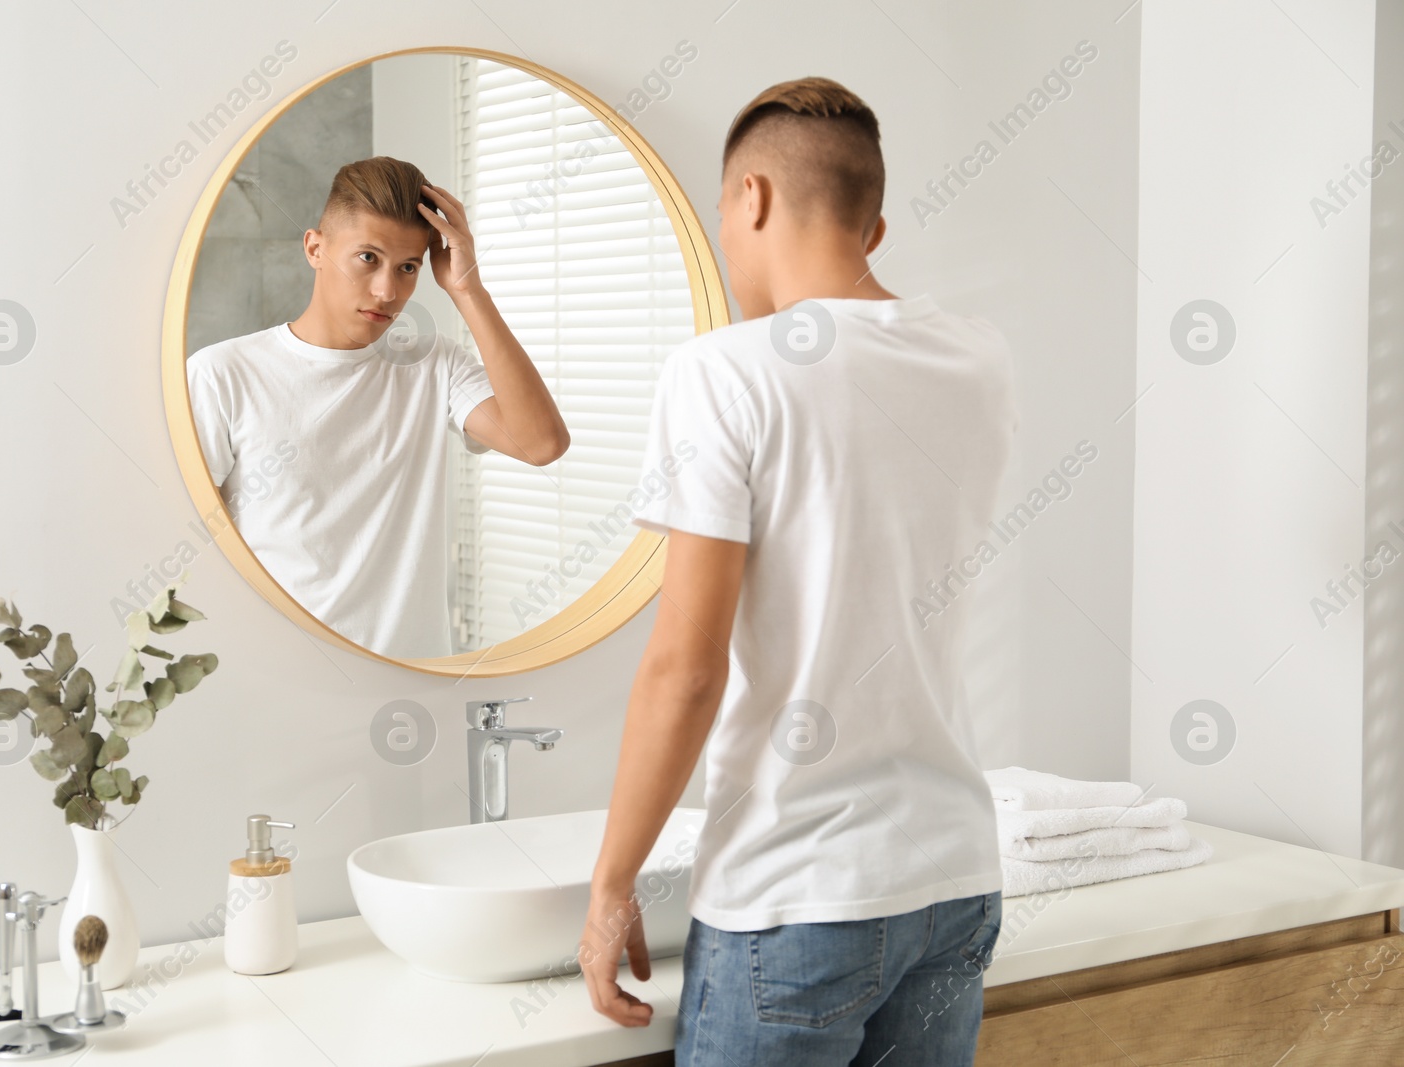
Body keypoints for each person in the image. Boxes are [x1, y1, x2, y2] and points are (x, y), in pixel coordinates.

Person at [578, 77, 1018, 1065]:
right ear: (873, 225)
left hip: (796, 895)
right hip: (953, 882)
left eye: (724, 214)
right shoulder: (978, 359)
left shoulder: (724, 371)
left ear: (753, 199)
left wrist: (611, 886)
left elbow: (683, 670)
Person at [187, 156, 569, 659]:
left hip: (415, 681)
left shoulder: (434, 365)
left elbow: (541, 444)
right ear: (315, 248)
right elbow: (194, 551)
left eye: (408, 268)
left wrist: (467, 288)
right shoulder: (223, 373)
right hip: (279, 677)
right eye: (368, 258)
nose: (388, 291)